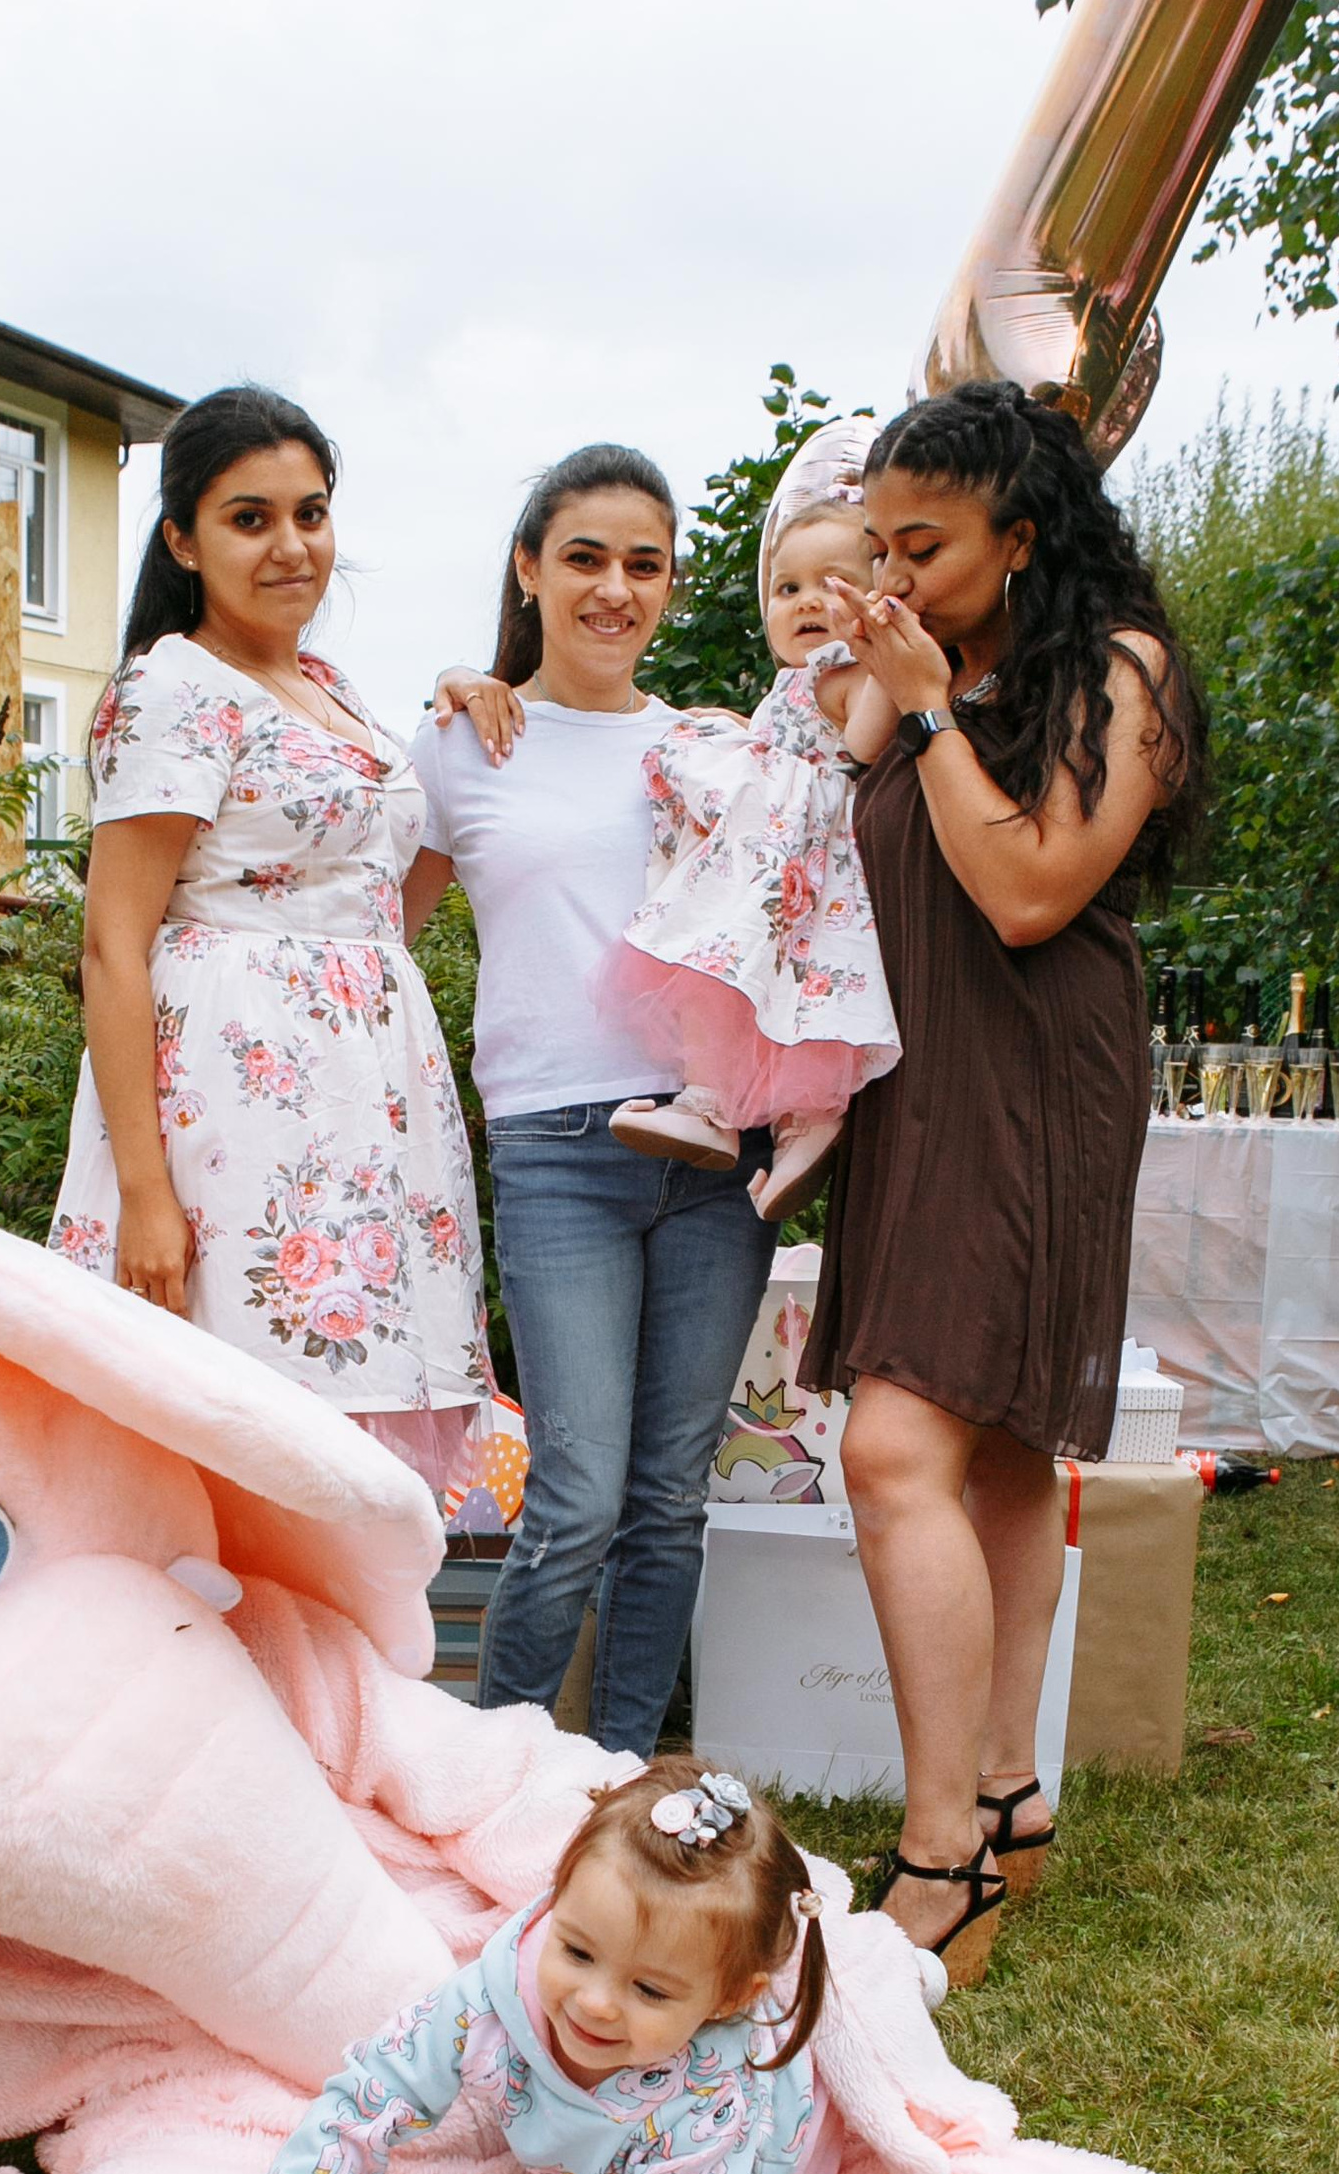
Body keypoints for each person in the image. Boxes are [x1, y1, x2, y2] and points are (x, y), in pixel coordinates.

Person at [804, 382, 1203, 1987]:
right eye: (877, 538)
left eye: (928, 542)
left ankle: (940, 1853)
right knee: (999, 1455)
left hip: (1036, 1078)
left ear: (1021, 538)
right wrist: (870, 684)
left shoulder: (1122, 672)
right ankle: (1010, 1797)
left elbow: (1034, 888)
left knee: (897, 1444)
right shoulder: (928, 671)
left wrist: (918, 714)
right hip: (921, 1078)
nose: (894, 568)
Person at [49, 383, 489, 1493]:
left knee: (347, 1464)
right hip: (234, 1117)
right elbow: (111, 948)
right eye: (250, 519)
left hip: (362, 1099)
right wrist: (147, 1196)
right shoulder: (175, 690)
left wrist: (458, 725)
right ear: (182, 540)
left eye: (310, 512)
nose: (290, 545)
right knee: (243, 1451)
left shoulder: (329, 689)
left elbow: (380, 907)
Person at [403, 448, 776, 1754]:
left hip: (715, 1145)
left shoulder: (713, 750)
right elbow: (375, 942)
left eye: (644, 564)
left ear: (671, 584)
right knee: (575, 1496)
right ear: (530, 569)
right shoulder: (460, 743)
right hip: (557, 1153)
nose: (615, 588)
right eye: (585, 558)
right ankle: (495, 1783)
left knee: (670, 1496)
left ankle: (619, 1781)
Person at [220, 1759, 828, 2174]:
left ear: (727, 2000)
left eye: (649, 1991)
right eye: (577, 1951)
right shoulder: (493, 1997)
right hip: (600, 2164)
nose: (594, 2001)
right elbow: (376, 2091)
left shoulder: (710, 2106)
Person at [607, 416, 902, 1222]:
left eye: (831, 583)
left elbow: (867, 739)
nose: (807, 603)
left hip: (808, 869)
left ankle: (757, 1114)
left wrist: (882, 649)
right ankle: (764, 1119)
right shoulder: (788, 685)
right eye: (788, 587)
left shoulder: (844, 672)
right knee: (757, 992)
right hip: (787, 874)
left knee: (736, 967)